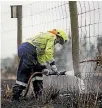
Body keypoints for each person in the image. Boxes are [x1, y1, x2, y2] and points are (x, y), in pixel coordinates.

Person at [11, 29, 68, 101]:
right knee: (26, 71)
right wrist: (53, 65)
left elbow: (40, 57)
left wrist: (44, 68)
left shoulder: (45, 40)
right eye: (59, 40)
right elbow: (48, 52)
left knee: (37, 68)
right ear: (58, 35)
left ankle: (39, 95)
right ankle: (15, 96)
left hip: (27, 49)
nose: (57, 43)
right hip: (28, 49)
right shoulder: (52, 36)